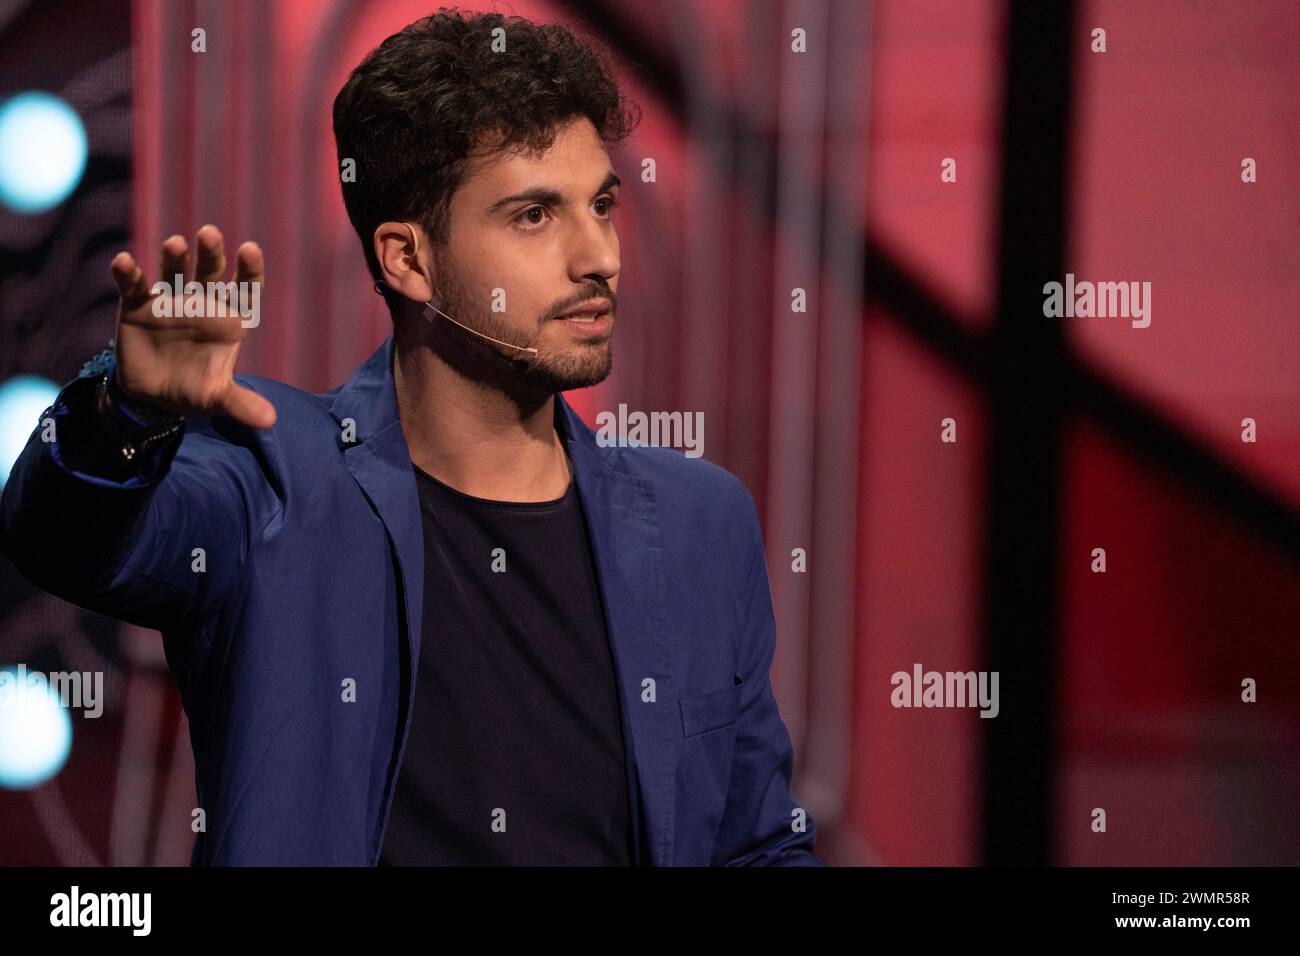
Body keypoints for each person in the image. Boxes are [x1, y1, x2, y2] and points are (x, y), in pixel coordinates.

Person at [0, 8, 823, 866]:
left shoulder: (700, 522)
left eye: (603, 204)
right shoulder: (274, 483)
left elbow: (757, 846)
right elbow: (60, 539)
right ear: (408, 259)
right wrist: (125, 413)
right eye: (536, 215)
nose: (600, 257)